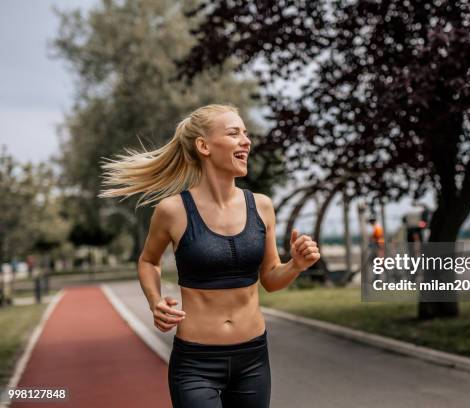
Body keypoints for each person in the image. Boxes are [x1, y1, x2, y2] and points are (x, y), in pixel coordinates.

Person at [99, 104, 320, 408]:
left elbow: (269, 279)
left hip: (253, 359)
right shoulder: (173, 210)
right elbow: (148, 261)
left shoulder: (262, 206)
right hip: (196, 364)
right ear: (203, 146)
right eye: (234, 133)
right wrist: (155, 301)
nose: (246, 141)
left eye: (245, 133)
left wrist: (296, 265)